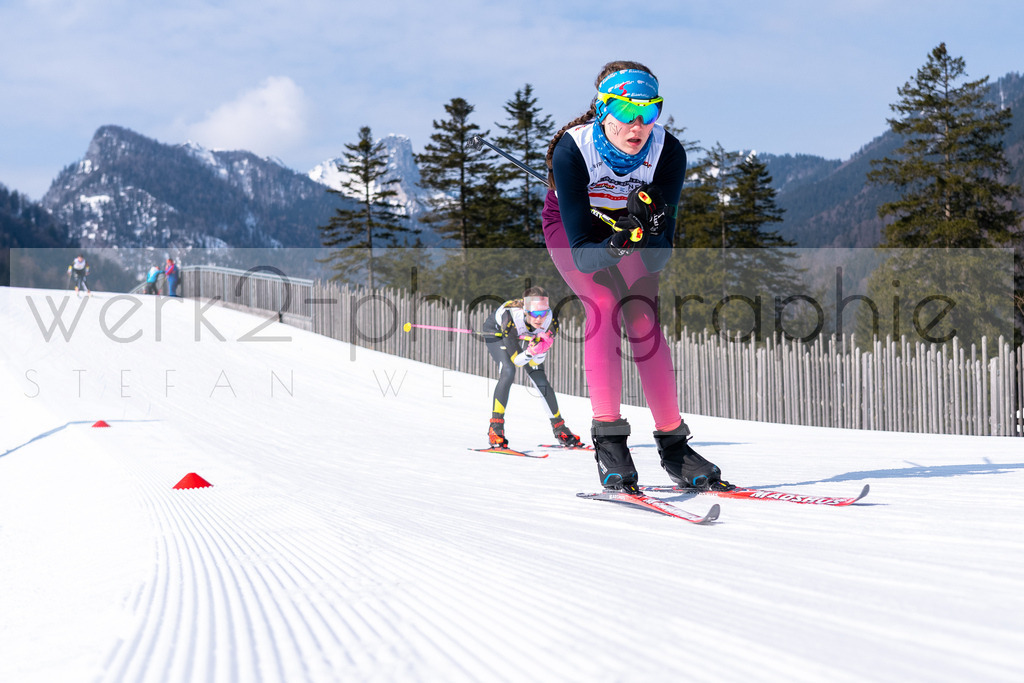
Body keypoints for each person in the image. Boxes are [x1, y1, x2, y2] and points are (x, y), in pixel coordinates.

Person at [541, 60, 729, 493]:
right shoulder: (574, 151)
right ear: (604, 111)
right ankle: (609, 440)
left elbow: (660, 259)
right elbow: (586, 256)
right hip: (579, 235)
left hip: (629, 232)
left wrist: (655, 226)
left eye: (650, 110)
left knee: (642, 317)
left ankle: (674, 445)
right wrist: (617, 244)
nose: (638, 124)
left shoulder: (668, 152)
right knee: (605, 305)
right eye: (627, 111)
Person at [483, 286, 582, 450]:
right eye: (535, 314)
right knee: (508, 371)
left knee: (540, 378)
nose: (539, 319)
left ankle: (560, 429)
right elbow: (517, 360)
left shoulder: (550, 321)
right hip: (498, 332)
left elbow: (537, 362)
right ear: (525, 311)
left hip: (525, 335)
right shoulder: (511, 318)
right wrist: (530, 352)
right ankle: (495, 429)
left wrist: (540, 350)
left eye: (543, 313)